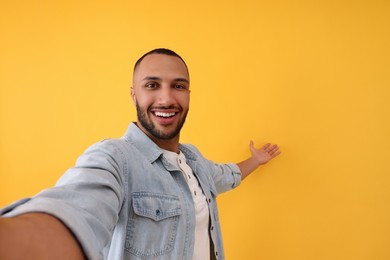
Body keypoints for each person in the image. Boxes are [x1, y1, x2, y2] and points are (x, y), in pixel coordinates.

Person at [0, 48, 281, 260]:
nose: (167, 98)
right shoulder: (114, 159)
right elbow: (75, 210)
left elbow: (225, 176)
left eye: (178, 86)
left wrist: (256, 160)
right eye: (152, 85)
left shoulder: (193, 159)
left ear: (189, 94)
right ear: (134, 95)